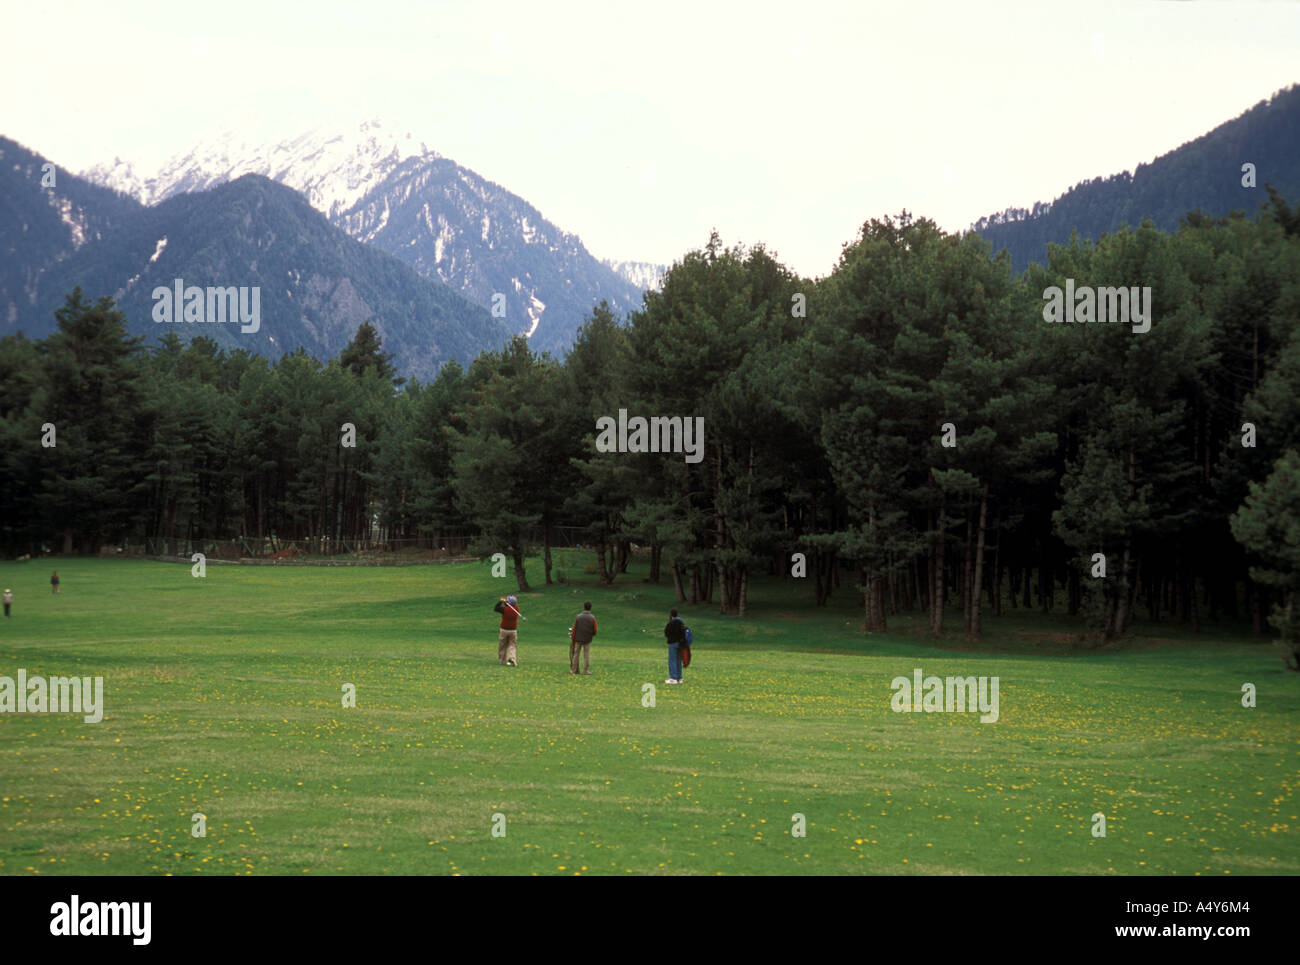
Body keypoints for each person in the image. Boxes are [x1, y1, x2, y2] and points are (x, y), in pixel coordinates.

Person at [570, 602, 597, 675]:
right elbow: (595, 629)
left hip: (578, 638)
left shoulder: (578, 617)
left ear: (584, 607)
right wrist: (592, 634)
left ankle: (573, 670)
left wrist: (573, 637)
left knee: (576, 654)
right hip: (587, 639)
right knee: (586, 655)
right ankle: (586, 670)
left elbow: (575, 628)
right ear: (590, 608)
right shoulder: (592, 617)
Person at [494, 594, 521, 666]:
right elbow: (510, 605)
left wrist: (501, 601)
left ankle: (502, 661)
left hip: (504, 630)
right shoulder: (517, 609)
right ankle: (512, 658)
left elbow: (496, 608)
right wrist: (506, 602)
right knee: (512, 645)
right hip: (513, 630)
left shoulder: (504, 609)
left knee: (502, 645)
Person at [664, 608, 686, 684]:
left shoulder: (671, 623)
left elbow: (666, 633)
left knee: (672, 660)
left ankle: (673, 678)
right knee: (678, 660)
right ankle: (679, 678)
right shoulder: (681, 622)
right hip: (681, 643)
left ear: (671, 615)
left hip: (673, 643)